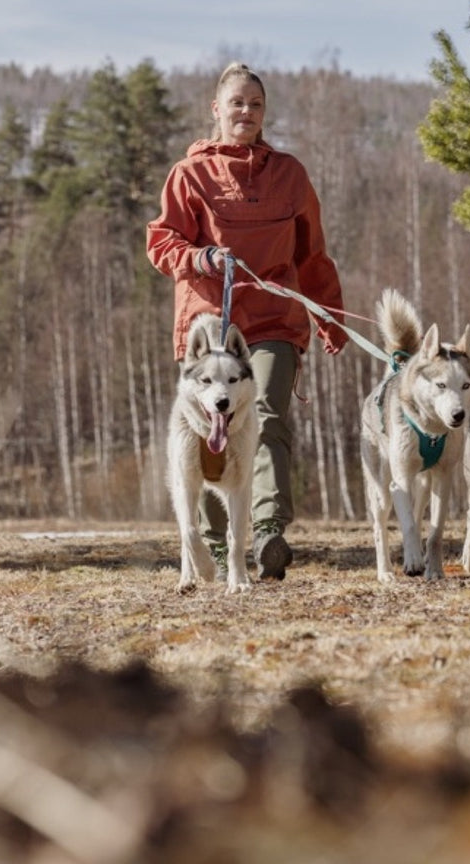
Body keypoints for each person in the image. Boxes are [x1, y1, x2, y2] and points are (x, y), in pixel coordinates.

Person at [146, 62, 348, 580]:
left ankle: (267, 533)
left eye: (255, 105)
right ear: (216, 109)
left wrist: (331, 317)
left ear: (264, 113)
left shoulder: (289, 174)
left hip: (274, 319)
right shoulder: (189, 174)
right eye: (236, 103)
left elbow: (313, 255)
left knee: (267, 415)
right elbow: (162, 243)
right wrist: (201, 258)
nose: (246, 112)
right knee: (210, 427)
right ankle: (217, 546)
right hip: (210, 322)